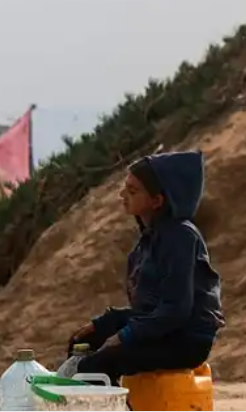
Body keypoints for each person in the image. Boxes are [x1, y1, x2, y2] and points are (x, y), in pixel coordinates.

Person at [68, 151, 225, 387]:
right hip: (164, 329)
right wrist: (107, 323)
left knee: (96, 365)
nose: (122, 195)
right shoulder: (150, 238)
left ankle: (112, 402)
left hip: (186, 339)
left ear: (157, 201)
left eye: (132, 191)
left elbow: (175, 310)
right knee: (83, 341)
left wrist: (125, 336)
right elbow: (149, 310)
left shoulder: (180, 237)